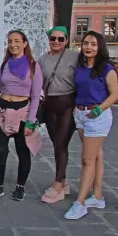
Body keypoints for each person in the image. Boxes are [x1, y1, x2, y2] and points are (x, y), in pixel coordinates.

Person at [64, 31, 118, 220]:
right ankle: (97, 196)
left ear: (100, 47)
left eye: (93, 44)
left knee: (87, 159)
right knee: (97, 156)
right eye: (86, 43)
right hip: (81, 114)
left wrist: (99, 109)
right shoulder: (80, 67)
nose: (88, 47)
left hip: (98, 115)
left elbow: (114, 95)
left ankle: (79, 203)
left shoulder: (106, 69)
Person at [0, 30, 43, 202]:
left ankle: (20, 187)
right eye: (10, 41)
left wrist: (31, 121)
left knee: (22, 151)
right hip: (2, 109)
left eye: (17, 41)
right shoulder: (5, 64)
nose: (13, 44)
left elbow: (35, 97)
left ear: (25, 43)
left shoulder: (34, 66)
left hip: (22, 112)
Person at [38, 26, 79, 203]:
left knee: (61, 142)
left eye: (60, 39)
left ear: (66, 41)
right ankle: (63, 181)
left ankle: (57, 186)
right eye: (53, 38)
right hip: (50, 105)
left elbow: (83, 79)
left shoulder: (74, 57)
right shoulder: (43, 59)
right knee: (57, 144)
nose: (56, 42)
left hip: (68, 105)